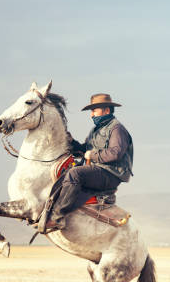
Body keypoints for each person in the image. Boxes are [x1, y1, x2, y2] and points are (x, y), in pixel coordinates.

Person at [39, 93, 133, 232]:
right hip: (99, 170)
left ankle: (57, 218)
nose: (91, 115)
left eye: (94, 110)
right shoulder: (96, 130)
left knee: (75, 174)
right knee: (64, 174)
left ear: (106, 110)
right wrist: (71, 142)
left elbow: (115, 153)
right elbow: (84, 150)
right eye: (91, 111)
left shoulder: (117, 129)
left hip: (111, 174)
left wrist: (92, 155)